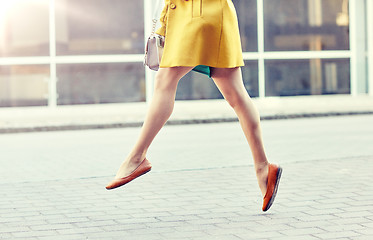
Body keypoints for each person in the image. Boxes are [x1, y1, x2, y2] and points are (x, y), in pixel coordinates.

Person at [106, 0, 282, 212]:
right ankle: (263, 169)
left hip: (198, 14)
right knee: (236, 94)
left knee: (165, 81)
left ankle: (136, 157)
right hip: (203, 14)